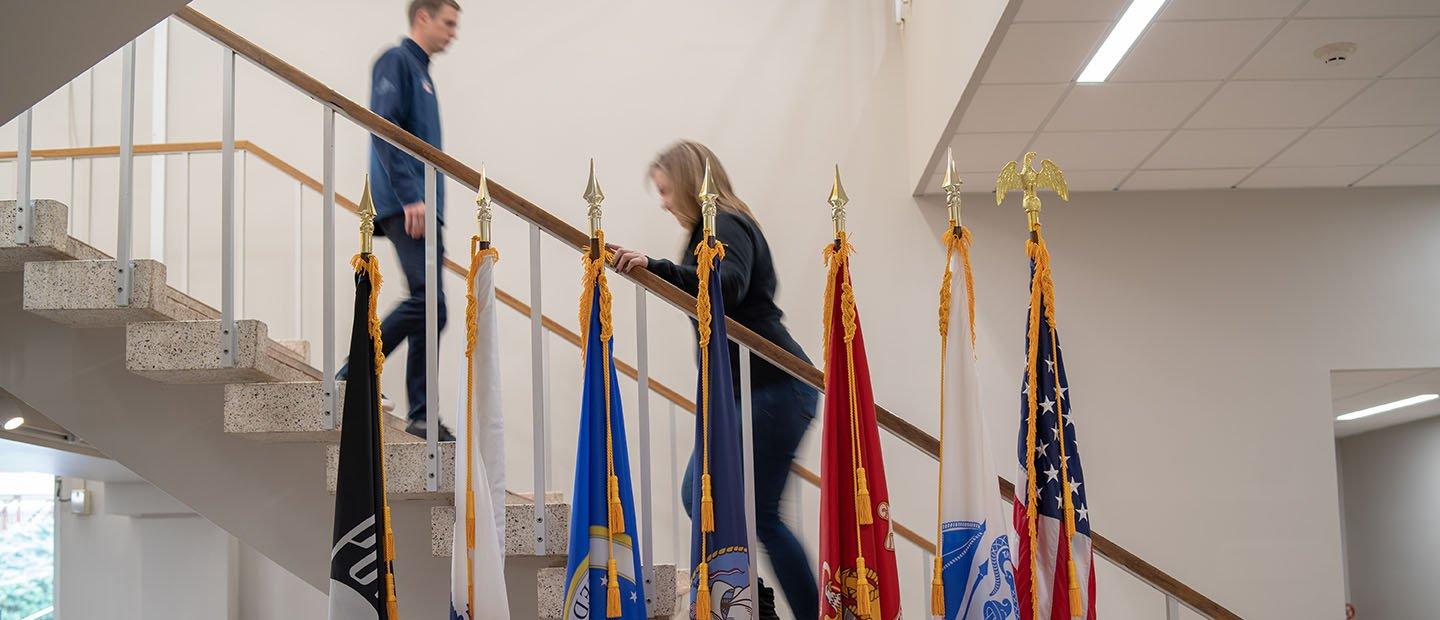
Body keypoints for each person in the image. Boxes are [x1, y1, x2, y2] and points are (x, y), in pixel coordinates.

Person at [610, 141, 819, 619]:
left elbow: (729, 285)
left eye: (665, 191)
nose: (663, 203)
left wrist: (657, 268)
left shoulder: (725, 223)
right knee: (700, 495)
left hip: (775, 384)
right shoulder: (708, 230)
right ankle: (755, 596)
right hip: (749, 391)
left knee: (760, 512)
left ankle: (792, 608)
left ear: (687, 182)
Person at [343, 0, 460, 440]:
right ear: (422, 17)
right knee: (432, 304)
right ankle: (355, 371)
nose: (453, 32)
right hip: (405, 203)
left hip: (425, 205)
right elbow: (384, 126)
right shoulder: (396, 60)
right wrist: (412, 196)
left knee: (433, 310)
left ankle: (422, 414)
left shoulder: (422, 72)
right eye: (448, 23)